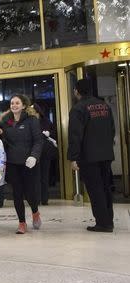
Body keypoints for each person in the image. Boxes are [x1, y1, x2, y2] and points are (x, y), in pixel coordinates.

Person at [67, 79, 115, 232]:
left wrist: (73, 157)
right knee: (106, 187)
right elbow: (112, 129)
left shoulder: (78, 109)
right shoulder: (105, 106)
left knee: (95, 189)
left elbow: (75, 136)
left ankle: (103, 223)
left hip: (88, 156)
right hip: (106, 154)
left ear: (77, 91)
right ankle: (108, 220)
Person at [0, 95, 43, 234]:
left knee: (30, 193)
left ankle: (35, 212)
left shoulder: (32, 120)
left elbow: (38, 141)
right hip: (12, 163)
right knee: (17, 193)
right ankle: (22, 223)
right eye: (12, 103)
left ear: (24, 105)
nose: (14, 105)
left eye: (17, 103)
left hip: (28, 163)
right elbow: (6, 143)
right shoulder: (5, 121)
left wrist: (34, 156)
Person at [33, 103, 57, 205]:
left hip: (45, 151)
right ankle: (36, 198)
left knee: (44, 175)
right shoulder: (30, 122)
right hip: (34, 152)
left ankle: (44, 198)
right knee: (35, 176)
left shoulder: (46, 121)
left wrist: (48, 133)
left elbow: (54, 133)